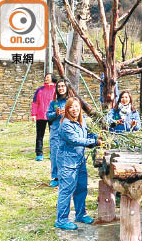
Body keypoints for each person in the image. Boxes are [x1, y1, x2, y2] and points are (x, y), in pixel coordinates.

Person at [55, 97, 102, 230]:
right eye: (71, 107)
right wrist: (93, 142)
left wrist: (97, 136)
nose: (74, 109)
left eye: (76, 106)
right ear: (67, 110)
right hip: (67, 162)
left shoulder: (81, 122)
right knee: (66, 190)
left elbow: (86, 134)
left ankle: (80, 214)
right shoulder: (65, 124)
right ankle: (61, 219)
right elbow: (75, 140)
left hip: (79, 160)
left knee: (81, 188)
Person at [46, 79, 71, 187]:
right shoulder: (54, 102)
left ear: (67, 88)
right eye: (59, 86)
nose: (61, 88)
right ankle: (56, 177)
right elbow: (48, 116)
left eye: (63, 86)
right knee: (55, 154)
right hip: (55, 131)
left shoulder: (71, 101)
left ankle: (67, 176)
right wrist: (55, 113)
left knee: (67, 154)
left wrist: (68, 113)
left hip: (68, 131)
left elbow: (77, 114)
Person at [31, 73, 56, 161]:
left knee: (53, 135)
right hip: (40, 115)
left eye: (48, 77)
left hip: (53, 116)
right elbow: (35, 103)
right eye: (45, 77)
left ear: (52, 78)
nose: (45, 78)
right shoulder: (40, 90)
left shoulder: (56, 89)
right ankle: (39, 154)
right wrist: (33, 114)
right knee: (39, 136)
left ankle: (53, 153)